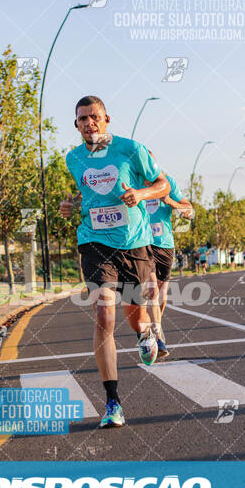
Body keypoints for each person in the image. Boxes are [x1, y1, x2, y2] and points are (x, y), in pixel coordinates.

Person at [60, 95, 170, 428]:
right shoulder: (73, 158)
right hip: (93, 241)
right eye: (82, 119)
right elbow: (84, 194)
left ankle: (146, 333)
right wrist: (71, 206)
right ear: (77, 125)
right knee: (103, 313)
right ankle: (113, 402)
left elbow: (162, 185)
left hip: (133, 244)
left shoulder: (132, 149)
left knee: (135, 314)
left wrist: (141, 194)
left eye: (94, 117)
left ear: (107, 119)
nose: (89, 123)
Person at [145, 176, 192, 360]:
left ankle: (155, 325)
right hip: (141, 243)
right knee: (151, 291)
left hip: (164, 244)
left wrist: (169, 201)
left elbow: (188, 210)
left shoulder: (167, 183)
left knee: (162, 294)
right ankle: (157, 338)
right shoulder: (132, 180)